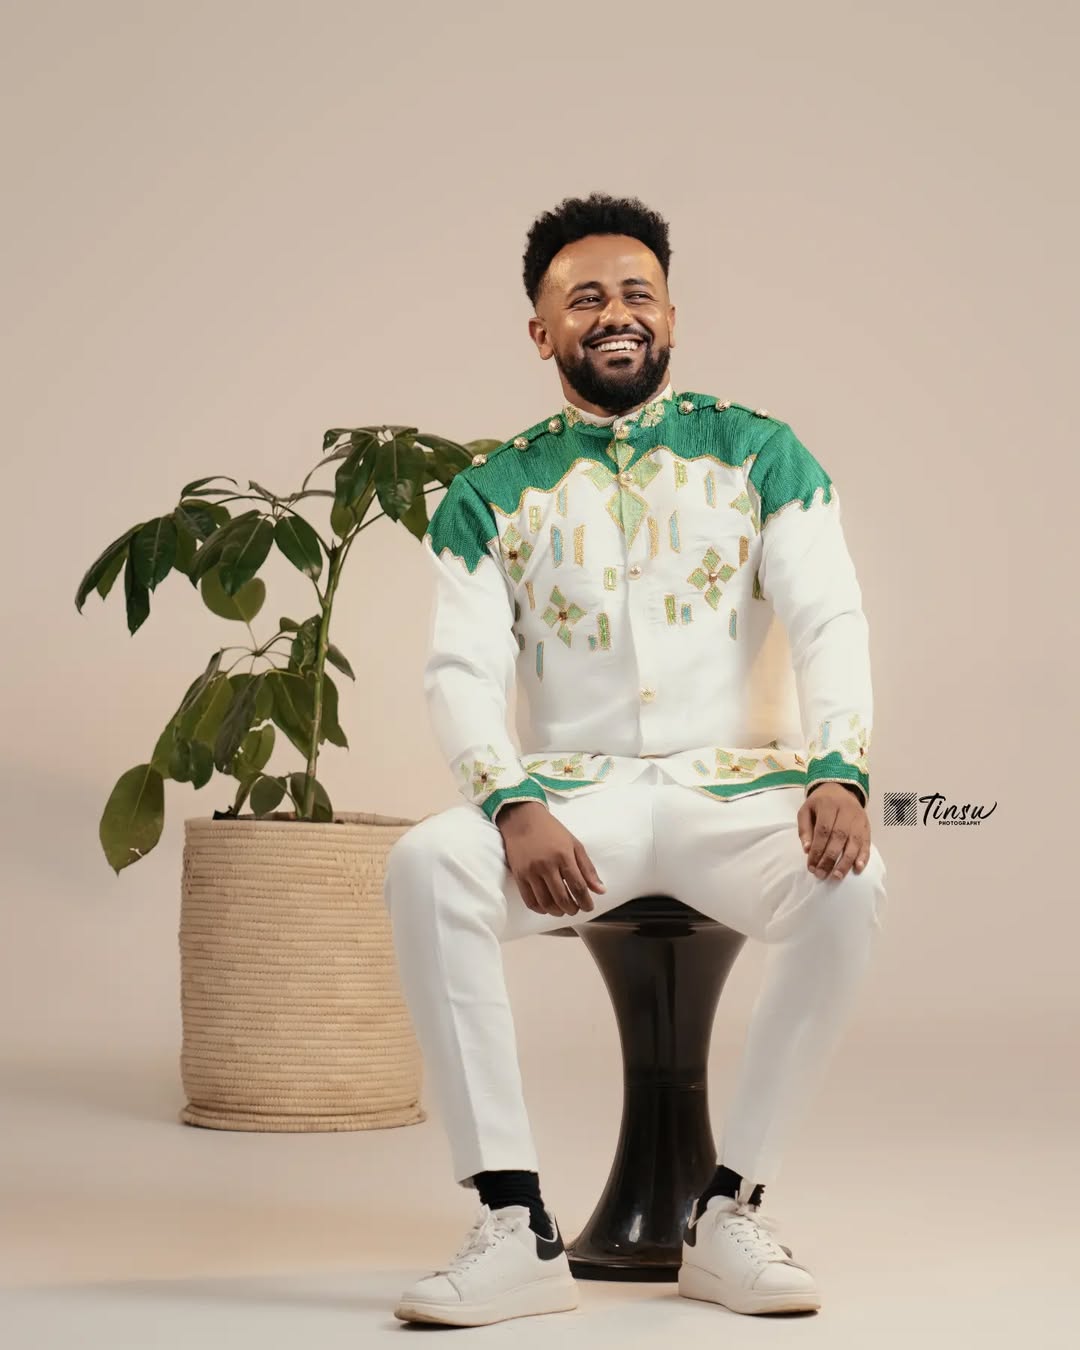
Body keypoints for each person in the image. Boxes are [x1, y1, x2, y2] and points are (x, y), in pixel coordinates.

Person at [383, 191, 887, 1326]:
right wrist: (509, 804)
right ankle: (514, 1223)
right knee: (424, 868)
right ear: (542, 331)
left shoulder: (762, 453)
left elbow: (829, 621)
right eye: (586, 298)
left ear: (672, 315)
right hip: (577, 803)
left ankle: (729, 1210)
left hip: (734, 793)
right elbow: (460, 673)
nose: (616, 314)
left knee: (855, 890)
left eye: (637, 293)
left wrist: (838, 768)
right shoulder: (489, 494)